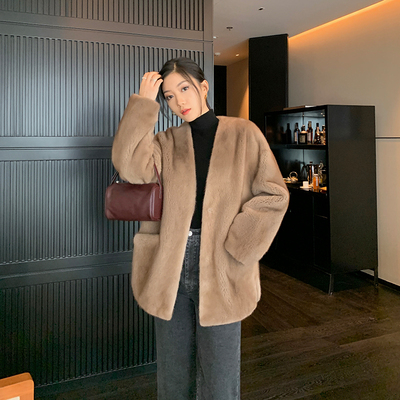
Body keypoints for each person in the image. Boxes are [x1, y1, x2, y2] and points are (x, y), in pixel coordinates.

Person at [111, 57, 289, 400]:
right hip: (170, 264)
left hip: (223, 261)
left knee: (220, 378)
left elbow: (274, 193)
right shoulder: (165, 142)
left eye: (184, 88)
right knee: (173, 375)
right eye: (169, 96)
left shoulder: (244, 133)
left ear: (203, 87)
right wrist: (143, 105)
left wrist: (238, 244)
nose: (179, 101)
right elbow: (129, 166)